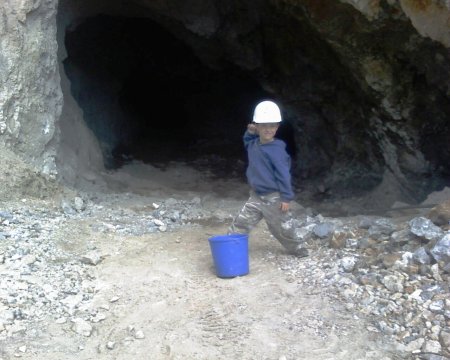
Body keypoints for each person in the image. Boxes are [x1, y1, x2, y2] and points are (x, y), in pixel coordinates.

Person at [229, 100, 308, 257]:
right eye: (264, 125)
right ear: (257, 125)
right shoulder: (253, 144)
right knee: (240, 224)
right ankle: (230, 248)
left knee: (282, 229)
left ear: (277, 127)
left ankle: (299, 250)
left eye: (272, 126)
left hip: (274, 198)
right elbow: (247, 140)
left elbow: (284, 175)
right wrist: (250, 132)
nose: (268, 129)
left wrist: (286, 198)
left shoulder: (277, 150)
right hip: (256, 196)